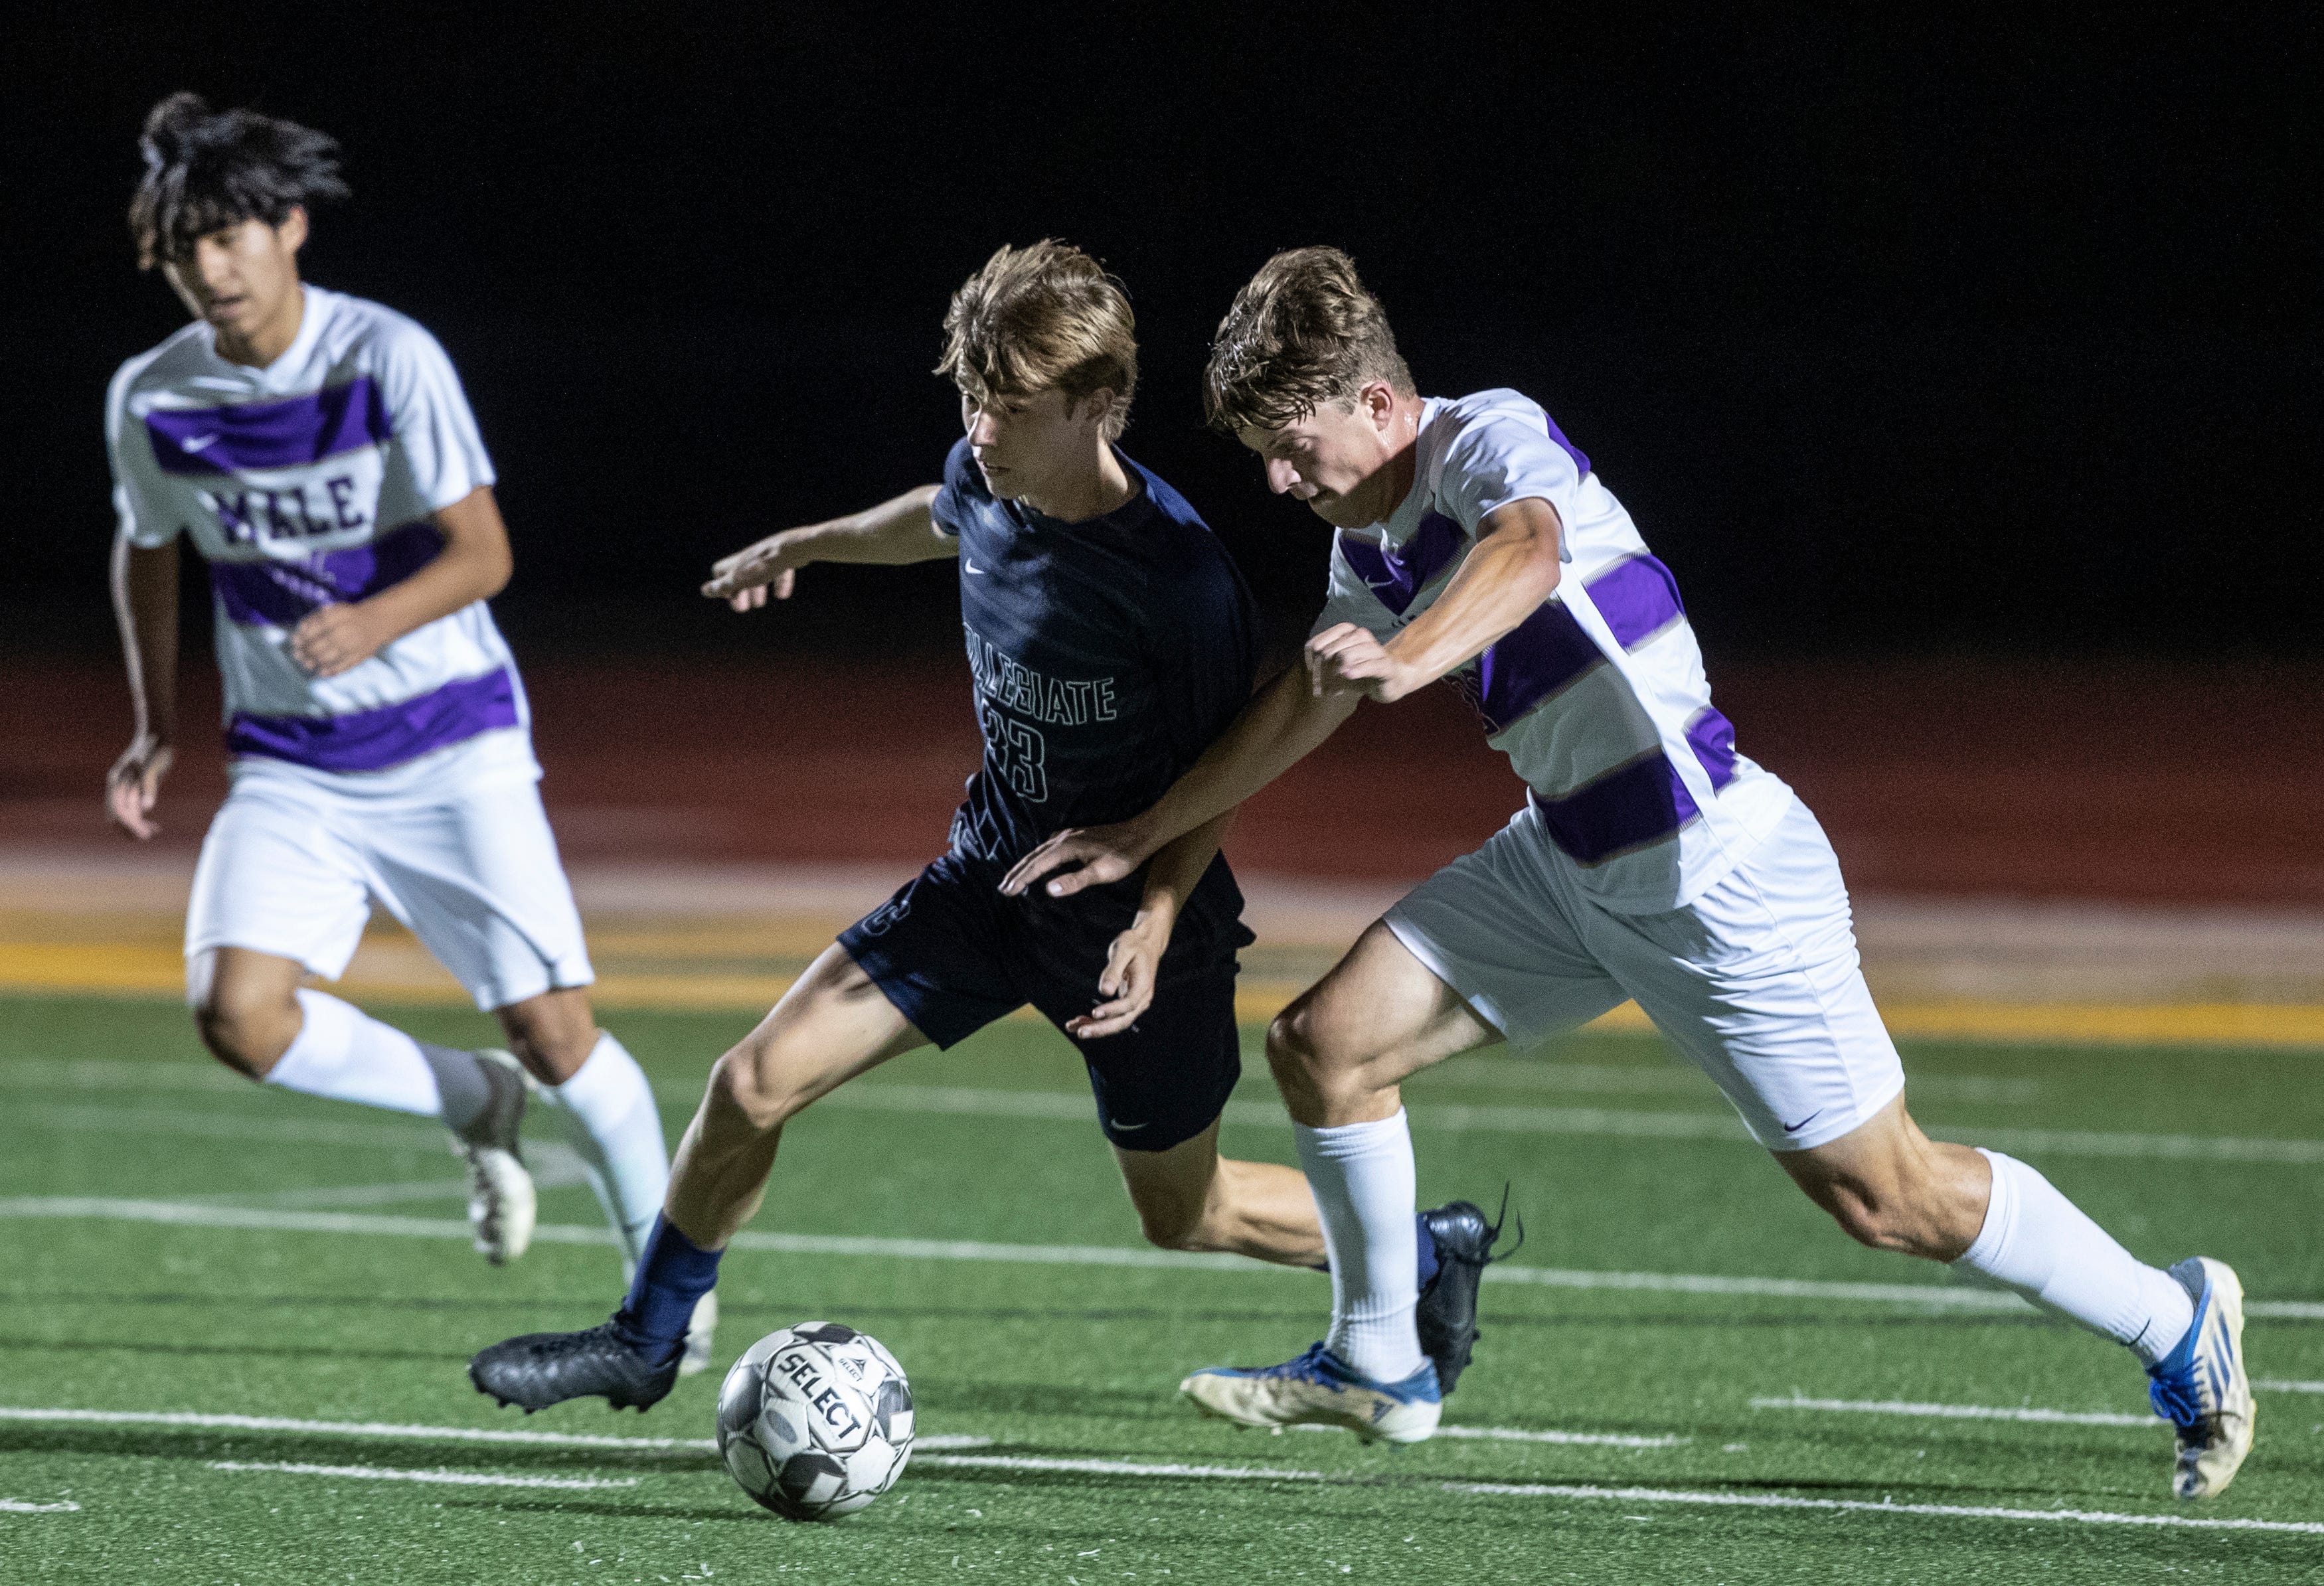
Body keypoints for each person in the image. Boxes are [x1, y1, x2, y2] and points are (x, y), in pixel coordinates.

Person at [1000, 246, 2253, 1494]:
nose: (1278, 479)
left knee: (1890, 1199)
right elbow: (1295, 711)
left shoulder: (1489, 436)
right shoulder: (1366, 546)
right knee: (1324, 1047)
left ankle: (2175, 1318)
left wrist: (1414, 654)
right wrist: (1148, 828)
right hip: (1566, 863)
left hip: (1712, 873)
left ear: (1377, 407)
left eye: (1291, 443)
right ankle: (1381, 1360)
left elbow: (1529, 553)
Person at [467, 242, 1505, 1421]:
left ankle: (1423, 1253)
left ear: (1097, 405)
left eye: (1009, 408)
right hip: (985, 885)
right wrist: (808, 545)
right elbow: (935, 514)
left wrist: (1158, 922)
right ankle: (646, 1336)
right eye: (970, 399)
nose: (982, 428)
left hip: (1130, 931)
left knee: (1187, 1214)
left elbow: (1224, 776)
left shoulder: (1178, 582)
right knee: (749, 1082)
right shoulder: (985, 475)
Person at [103, 93, 706, 1368]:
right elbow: (149, 549)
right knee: (238, 1013)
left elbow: (484, 552)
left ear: (290, 227)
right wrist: (158, 724)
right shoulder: (151, 397)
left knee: (558, 1031)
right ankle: (471, 1098)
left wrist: (372, 623)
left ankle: (667, 1286)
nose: (208, 267)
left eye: (228, 236)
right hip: (291, 764)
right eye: (180, 246)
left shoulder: (385, 358)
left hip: (449, 745)